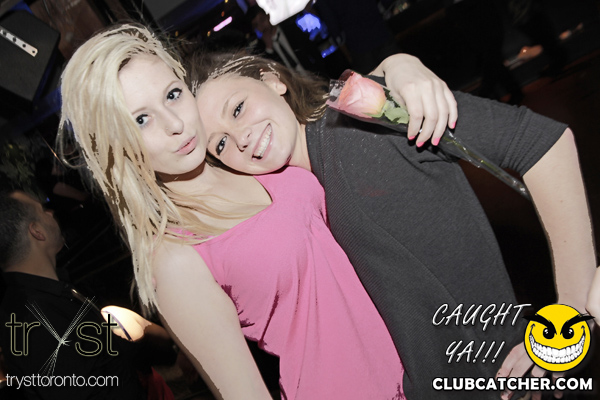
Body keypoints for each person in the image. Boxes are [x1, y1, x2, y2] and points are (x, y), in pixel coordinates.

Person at [56, 23, 459, 400]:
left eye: (173, 95)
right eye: (142, 120)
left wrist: (397, 65)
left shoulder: (241, 152)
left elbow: (331, 119)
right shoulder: (175, 257)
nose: (174, 123)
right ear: (117, 146)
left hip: (428, 360)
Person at [191, 52, 596, 399]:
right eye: (220, 144)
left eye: (237, 109)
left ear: (272, 80)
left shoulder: (361, 120)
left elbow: (539, 142)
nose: (240, 138)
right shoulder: (298, 193)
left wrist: (570, 318)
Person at [0, 190, 176, 400]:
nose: (51, 212)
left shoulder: (50, 296)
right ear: (37, 231)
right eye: (42, 211)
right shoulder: (35, 322)